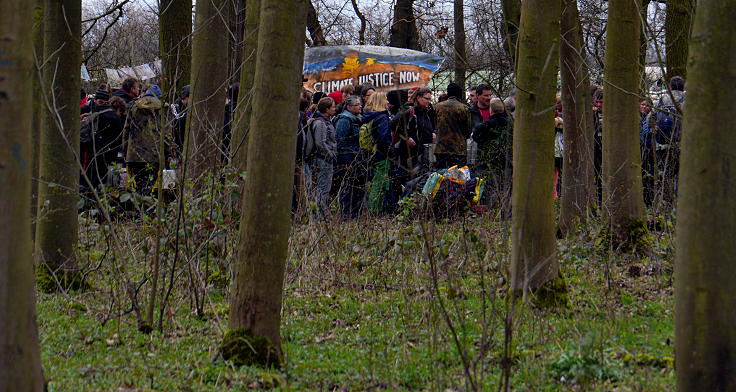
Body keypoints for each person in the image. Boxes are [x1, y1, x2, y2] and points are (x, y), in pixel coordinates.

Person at [125, 84, 165, 195]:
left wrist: (124, 151)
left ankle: (138, 206)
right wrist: (169, 153)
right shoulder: (163, 108)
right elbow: (166, 134)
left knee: (137, 184)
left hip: (134, 154)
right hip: (154, 154)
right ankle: (145, 207)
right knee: (149, 184)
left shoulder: (133, 106)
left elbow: (126, 130)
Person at [472, 97, 512, 210]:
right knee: (506, 186)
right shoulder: (512, 125)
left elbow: (475, 137)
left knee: (488, 187)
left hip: (488, 162)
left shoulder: (485, 126)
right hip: (507, 162)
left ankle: (489, 209)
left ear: (491, 110)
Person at [81, 88, 124, 191]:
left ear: (95, 100)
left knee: (91, 182)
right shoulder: (114, 117)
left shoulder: (89, 114)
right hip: (110, 155)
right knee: (109, 184)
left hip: (91, 154)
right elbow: (119, 139)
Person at [332, 95, 365, 219]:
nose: (360, 106)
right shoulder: (344, 120)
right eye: (357, 105)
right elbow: (340, 142)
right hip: (348, 159)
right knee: (348, 187)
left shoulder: (358, 119)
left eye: (360, 104)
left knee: (357, 187)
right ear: (349, 107)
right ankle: (346, 214)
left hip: (357, 158)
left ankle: (355, 214)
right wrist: (347, 162)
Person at [305, 97, 337, 221]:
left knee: (321, 188)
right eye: (333, 107)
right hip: (323, 160)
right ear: (327, 109)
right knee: (323, 188)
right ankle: (319, 215)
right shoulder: (320, 123)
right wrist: (331, 155)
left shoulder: (324, 121)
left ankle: (320, 214)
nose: (335, 109)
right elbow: (320, 143)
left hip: (322, 159)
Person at [362, 92, 393, 215]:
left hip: (371, 153)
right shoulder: (382, 117)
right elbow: (383, 138)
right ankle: (374, 212)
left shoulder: (368, 116)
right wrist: (390, 153)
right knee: (379, 184)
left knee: (376, 182)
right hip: (381, 154)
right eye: (385, 99)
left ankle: (374, 210)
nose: (387, 102)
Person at [433, 82, 472, 168]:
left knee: (440, 177)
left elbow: (434, 125)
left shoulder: (437, 107)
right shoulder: (465, 108)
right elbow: (468, 130)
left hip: (440, 148)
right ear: (460, 94)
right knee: (458, 178)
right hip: (458, 149)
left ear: (448, 93)